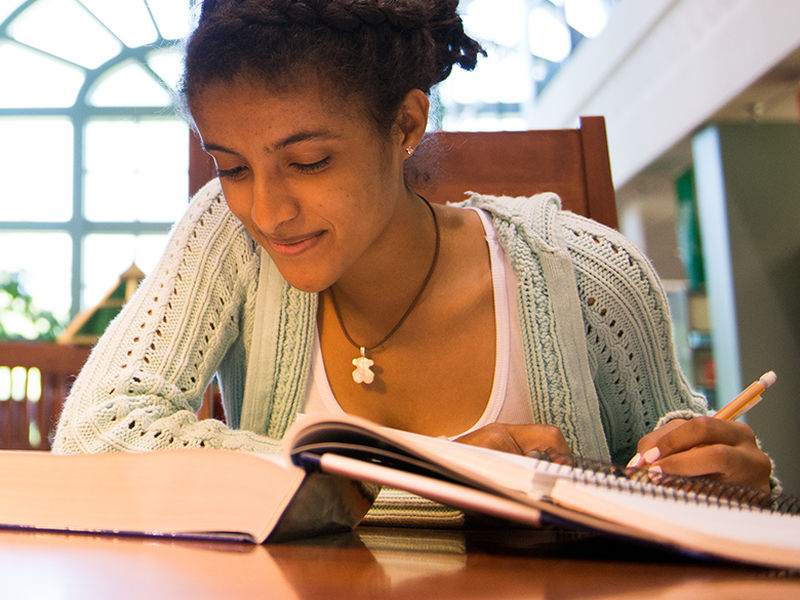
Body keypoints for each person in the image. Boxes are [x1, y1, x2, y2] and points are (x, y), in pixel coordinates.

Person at [53, 0, 773, 497]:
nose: (266, 211)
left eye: (308, 162)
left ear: (404, 124)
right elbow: (95, 435)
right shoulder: (228, 238)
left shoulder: (587, 279)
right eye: (232, 166)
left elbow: (677, 472)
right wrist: (429, 478)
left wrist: (720, 477)